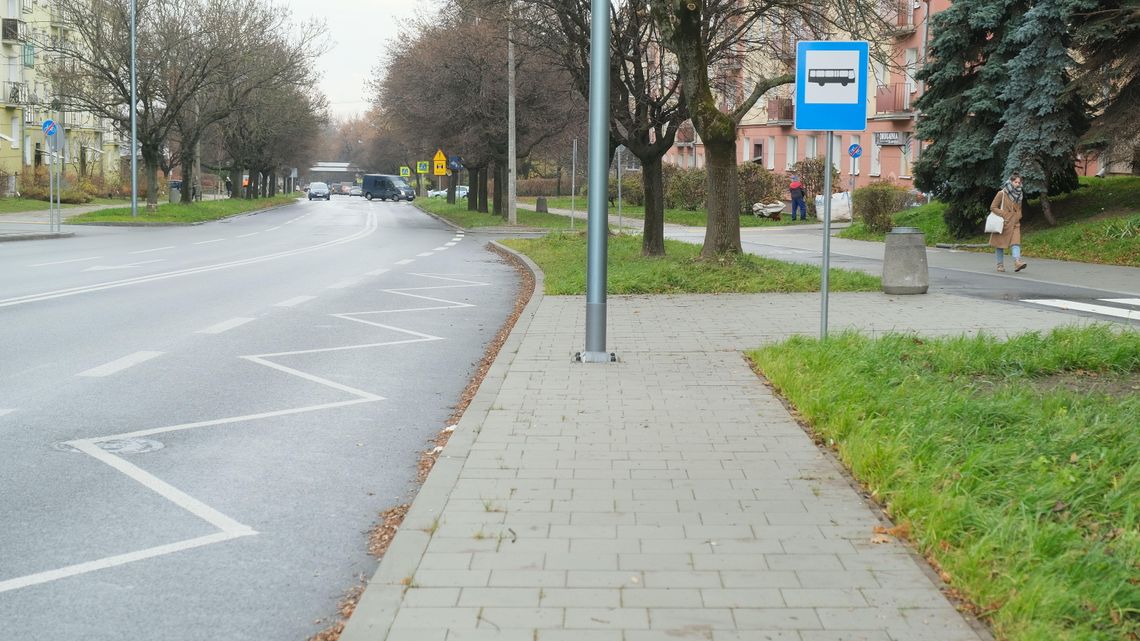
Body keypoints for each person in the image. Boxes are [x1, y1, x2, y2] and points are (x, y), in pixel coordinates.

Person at [989, 171, 1026, 272]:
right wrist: (1005, 214)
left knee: (1016, 242)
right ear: (1011, 182)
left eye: (1019, 183)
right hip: (1003, 222)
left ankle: (1017, 262)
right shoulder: (1002, 193)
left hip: (1015, 223)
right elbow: (993, 207)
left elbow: (1019, 208)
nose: (1018, 184)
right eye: (1016, 182)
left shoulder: (1019, 194)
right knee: (1000, 244)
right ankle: (1000, 265)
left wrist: (1019, 215)